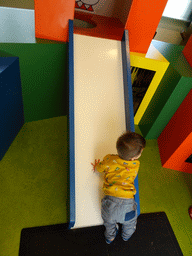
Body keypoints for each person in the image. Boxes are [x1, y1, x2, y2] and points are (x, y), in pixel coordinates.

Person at [91, 131, 146, 244]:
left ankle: (110, 237)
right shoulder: (136, 165)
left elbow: (100, 168)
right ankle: (126, 236)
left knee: (109, 223)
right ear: (133, 158)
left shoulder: (109, 159)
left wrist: (97, 166)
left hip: (109, 203)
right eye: (140, 153)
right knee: (130, 223)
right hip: (127, 205)